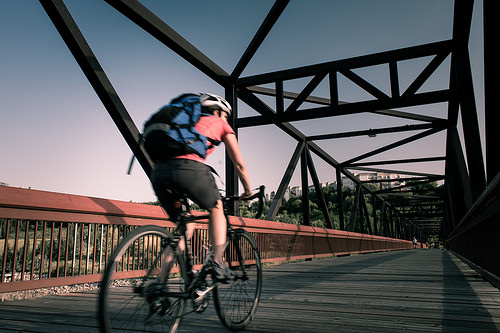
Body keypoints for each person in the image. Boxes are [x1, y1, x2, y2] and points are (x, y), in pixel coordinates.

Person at [150, 92, 253, 282]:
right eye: (225, 115)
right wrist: (248, 191)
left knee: (185, 224)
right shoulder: (221, 124)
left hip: (159, 172)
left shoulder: (186, 121)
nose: (226, 119)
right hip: (189, 169)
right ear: (217, 111)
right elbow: (239, 165)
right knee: (216, 207)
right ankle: (217, 263)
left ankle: (159, 283)